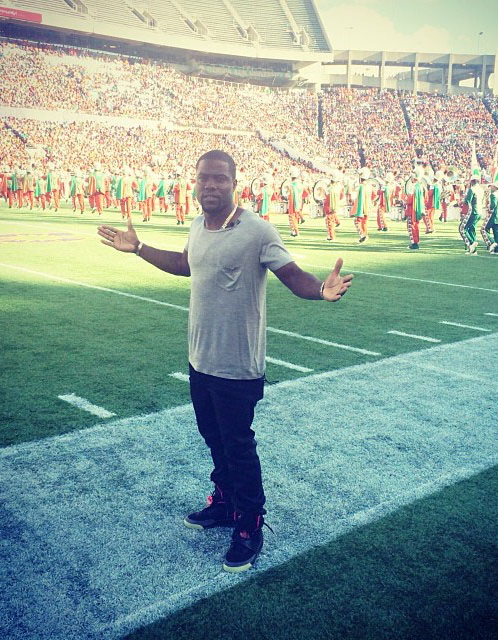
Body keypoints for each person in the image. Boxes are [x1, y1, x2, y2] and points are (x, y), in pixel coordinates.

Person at [97, 150, 353, 573]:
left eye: (219, 179)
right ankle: (227, 502)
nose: (210, 185)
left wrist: (320, 291)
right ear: (195, 184)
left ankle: (250, 523)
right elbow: (185, 264)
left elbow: (293, 276)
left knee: (238, 446)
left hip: (237, 367)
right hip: (200, 360)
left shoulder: (257, 231)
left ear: (235, 183)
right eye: (203, 179)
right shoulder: (198, 225)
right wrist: (139, 247)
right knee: (213, 439)